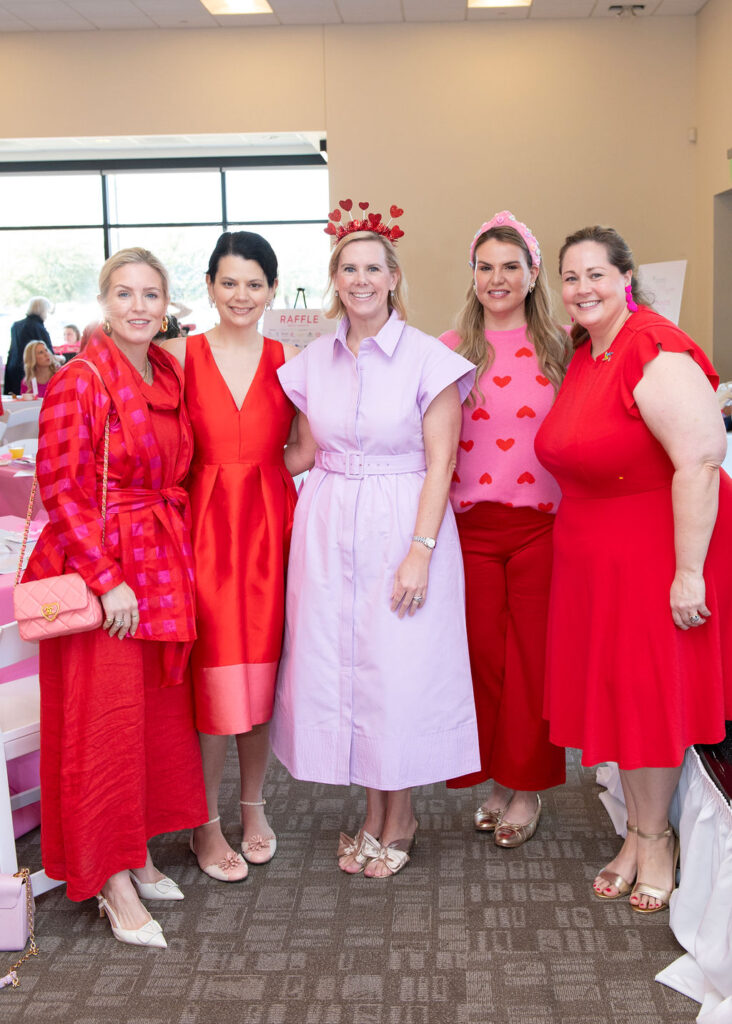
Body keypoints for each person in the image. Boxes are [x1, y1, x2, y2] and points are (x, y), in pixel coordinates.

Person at [271, 203, 480, 877]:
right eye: (347, 268)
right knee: (346, 670)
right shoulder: (311, 363)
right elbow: (299, 453)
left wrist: (420, 549)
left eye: (372, 268)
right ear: (335, 279)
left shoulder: (430, 358)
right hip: (330, 525)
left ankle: (402, 815)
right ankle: (370, 813)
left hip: (403, 522)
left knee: (397, 671)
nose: (360, 280)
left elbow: (441, 462)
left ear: (393, 277)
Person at [535, 225, 732, 913]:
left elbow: (702, 457)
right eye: (570, 276)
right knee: (621, 694)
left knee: (648, 699)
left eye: (596, 274)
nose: (583, 287)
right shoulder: (588, 350)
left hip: (653, 548)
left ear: (626, 277)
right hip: (595, 553)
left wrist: (688, 571)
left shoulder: (652, 344)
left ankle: (654, 841)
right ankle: (636, 835)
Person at [23, 248, 207, 946]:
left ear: (167, 305)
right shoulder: (81, 377)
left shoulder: (163, 371)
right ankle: (109, 878)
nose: (139, 306)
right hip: (105, 568)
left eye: (151, 294)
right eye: (125, 293)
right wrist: (107, 579)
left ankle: (135, 849)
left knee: (151, 719)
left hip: (156, 554)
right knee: (104, 723)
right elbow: (62, 488)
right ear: (104, 301)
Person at [163, 231, 297, 883]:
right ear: (210, 287)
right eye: (228, 282)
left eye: (254, 283)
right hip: (203, 529)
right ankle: (203, 822)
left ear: (272, 289)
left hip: (271, 525)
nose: (241, 295)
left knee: (262, 670)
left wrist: (264, 473)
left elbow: (308, 446)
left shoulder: (290, 357)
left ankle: (253, 805)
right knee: (213, 672)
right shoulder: (178, 357)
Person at [441, 211, 569, 847]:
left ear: (532, 274)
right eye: (486, 267)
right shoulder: (447, 352)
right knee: (482, 659)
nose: (497, 278)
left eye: (510, 266)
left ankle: (528, 785)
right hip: (470, 529)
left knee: (532, 662)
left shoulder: (565, 347)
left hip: (544, 527)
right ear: (472, 276)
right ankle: (496, 775)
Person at [4, 296, 54, 394]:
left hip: (13, 370)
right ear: (43, 310)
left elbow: (12, 351)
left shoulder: (16, 326)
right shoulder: (38, 328)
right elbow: (49, 353)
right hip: (32, 372)